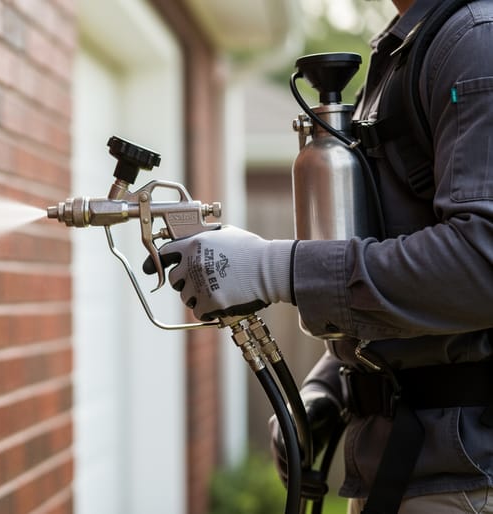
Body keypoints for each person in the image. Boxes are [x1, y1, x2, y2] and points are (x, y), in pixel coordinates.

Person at [148, 0, 493, 512]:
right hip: (405, 465)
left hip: (467, 479)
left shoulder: (475, 41)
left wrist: (273, 268)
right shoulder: (409, 45)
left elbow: (482, 266)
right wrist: (330, 386)